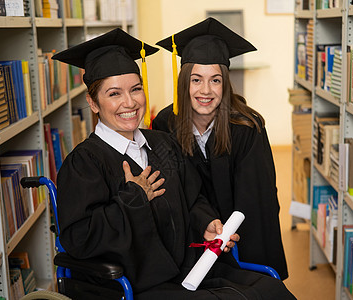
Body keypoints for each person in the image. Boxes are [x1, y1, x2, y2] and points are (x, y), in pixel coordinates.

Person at [52, 28, 296, 299]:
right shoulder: (84, 163)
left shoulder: (161, 144)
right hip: (140, 284)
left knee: (273, 291)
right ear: (93, 102)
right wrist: (133, 198)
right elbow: (78, 238)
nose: (129, 102)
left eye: (135, 89)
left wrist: (207, 223)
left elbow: (192, 199)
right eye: (114, 94)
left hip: (190, 270)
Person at [152, 17, 289, 280]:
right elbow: (173, 191)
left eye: (215, 80)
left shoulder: (247, 127)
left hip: (239, 243)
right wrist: (201, 223)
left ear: (225, 82)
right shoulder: (165, 124)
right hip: (191, 240)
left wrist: (229, 238)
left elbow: (257, 201)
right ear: (183, 82)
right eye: (196, 80)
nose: (206, 90)